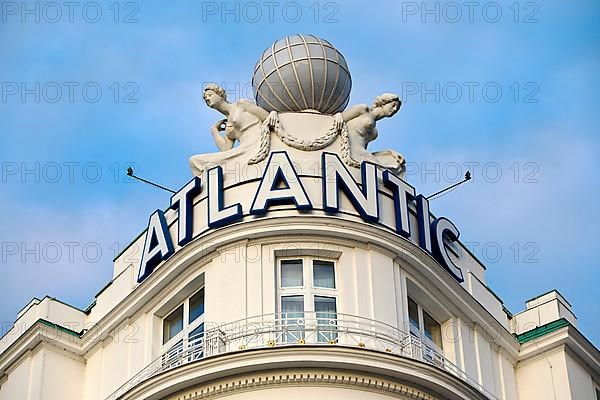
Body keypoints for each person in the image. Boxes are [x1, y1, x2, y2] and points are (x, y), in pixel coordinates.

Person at [189, 84, 277, 176]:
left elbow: (267, 117)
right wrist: (214, 130)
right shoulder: (228, 124)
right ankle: (211, 185)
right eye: (205, 98)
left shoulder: (241, 105)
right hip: (243, 150)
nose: (207, 99)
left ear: (220, 95)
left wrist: (274, 113)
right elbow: (225, 149)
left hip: (257, 142)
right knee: (195, 161)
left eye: (210, 95)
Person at [334, 93, 405, 174]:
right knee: (387, 170)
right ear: (383, 103)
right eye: (393, 105)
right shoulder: (363, 109)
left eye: (397, 108)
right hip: (348, 149)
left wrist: (390, 153)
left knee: (397, 164)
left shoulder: (374, 130)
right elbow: (340, 118)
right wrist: (338, 116)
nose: (395, 109)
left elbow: (363, 149)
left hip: (360, 154)